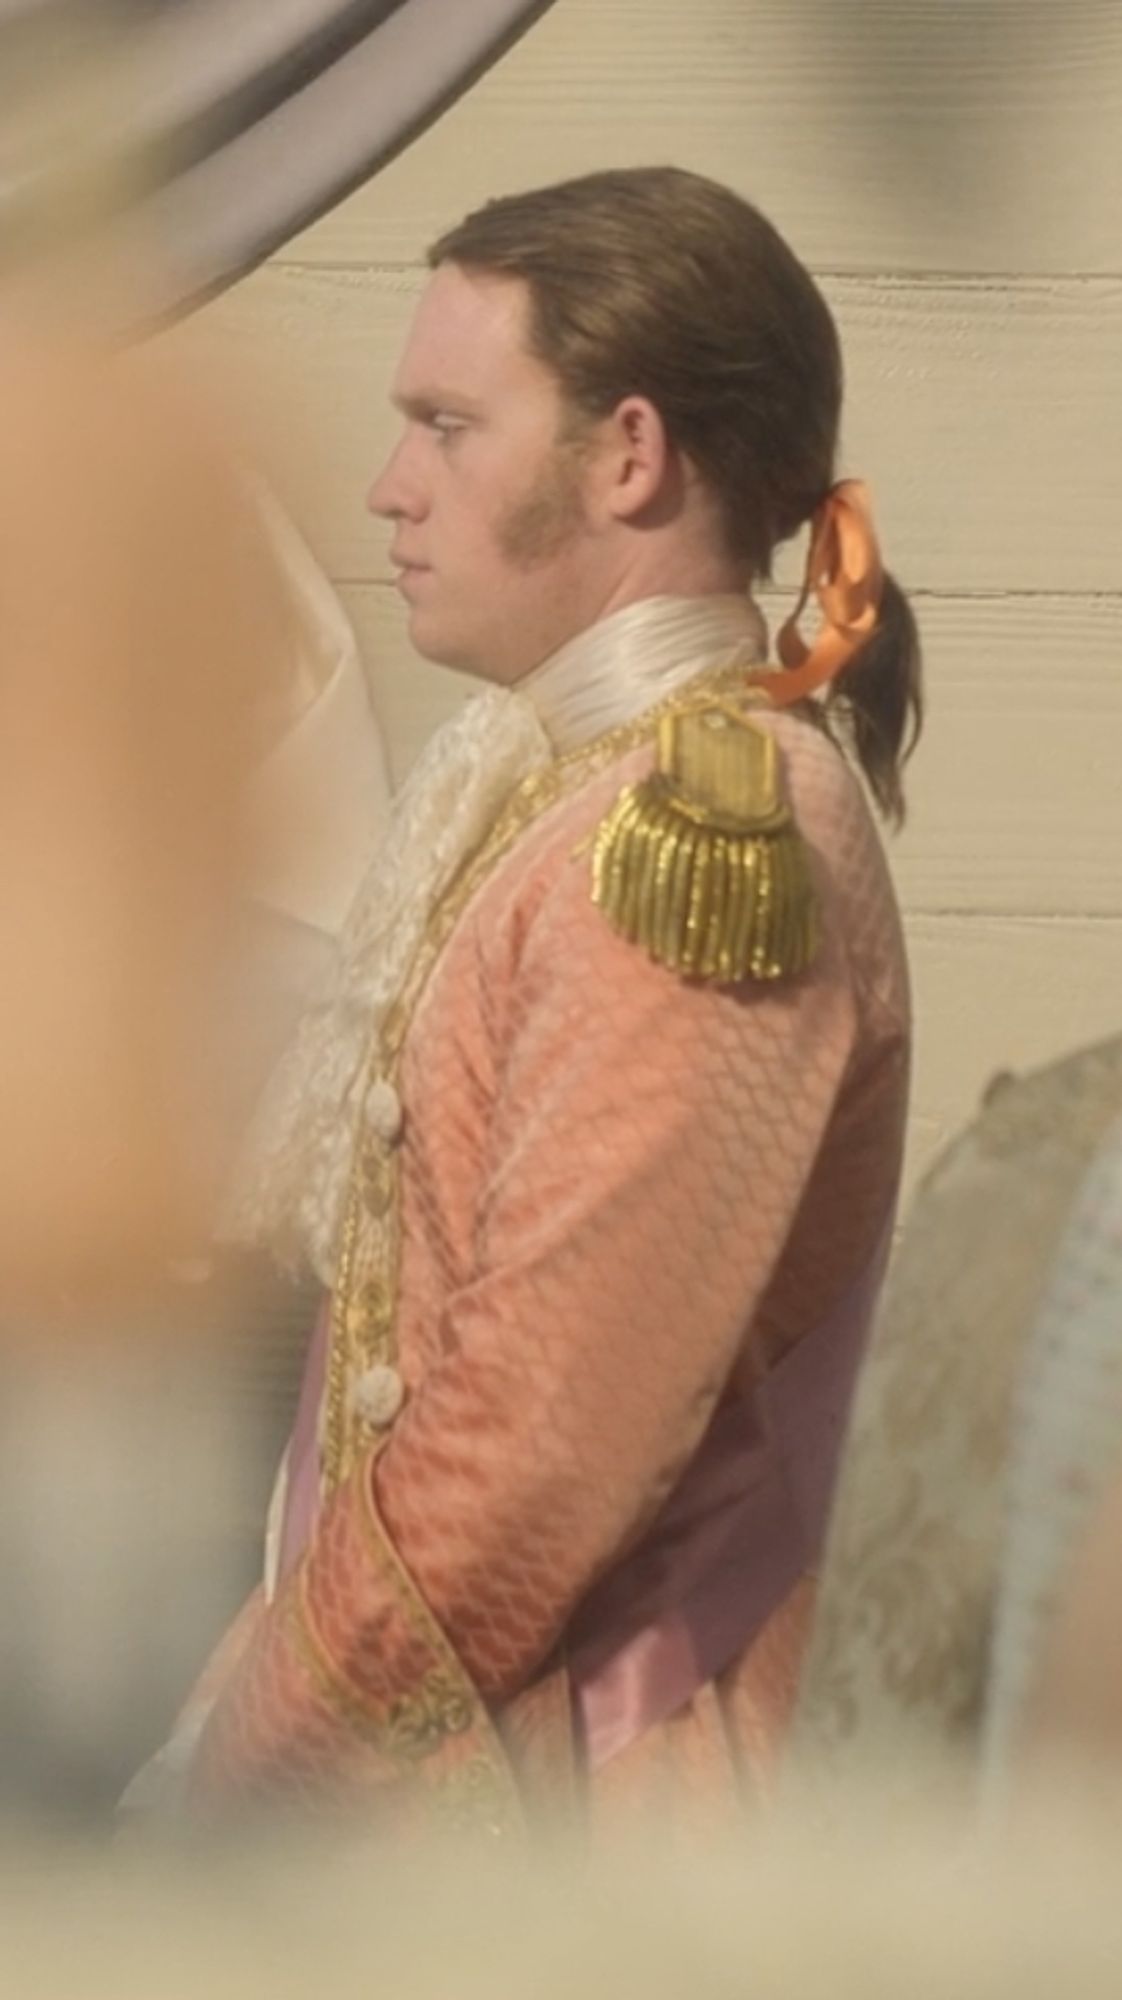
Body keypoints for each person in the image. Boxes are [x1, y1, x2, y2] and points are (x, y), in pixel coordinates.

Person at [164, 167, 921, 1838]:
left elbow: (532, 1455)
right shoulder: (549, 787)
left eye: (446, 424)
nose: (387, 490)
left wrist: (248, 1754)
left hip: (586, 1814)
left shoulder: (698, 832)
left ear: (629, 455)